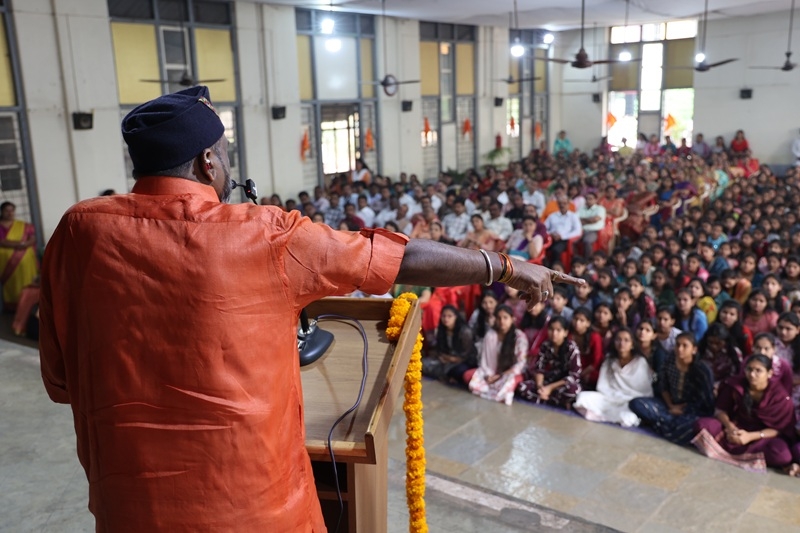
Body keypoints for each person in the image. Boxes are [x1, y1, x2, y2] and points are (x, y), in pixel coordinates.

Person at [39, 86, 583, 532]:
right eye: (225, 155)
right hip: (255, 508)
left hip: (127, 510)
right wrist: (506, 266)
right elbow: (398, 257)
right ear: (208, 162)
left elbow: (61, 381)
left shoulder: (78, 231)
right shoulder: (265, 233)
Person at [693, 354, 799, 473]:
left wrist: (749, 437)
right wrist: (730, 427)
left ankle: (736, 453)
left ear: (769, 373)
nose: (752, 374)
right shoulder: (736, 384)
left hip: (761, 436)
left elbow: (778, 429)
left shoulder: (780, 397)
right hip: (736, 428)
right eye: (749, 369)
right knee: (702, 425)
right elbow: (720, 410)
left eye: (758, 371)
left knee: (782, 455)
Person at [629, 333, 715, 445]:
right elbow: (663, 386)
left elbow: (705, 402)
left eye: (685, 346)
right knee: (636, 403)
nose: (680, 349)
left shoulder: (703, 371)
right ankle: (668, 425)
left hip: (692, 411)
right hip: (668, 406)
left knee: (692, 426)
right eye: (677, 345)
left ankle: (661, 424)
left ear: (694, 350)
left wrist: (683, 410)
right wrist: (671, 406)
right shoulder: (669, 361)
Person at [574, 328, 654, 427]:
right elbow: (602, 386)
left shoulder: (640, 362)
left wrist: (623, 397)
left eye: (626, 340)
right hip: (608, 398)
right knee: (582, 398)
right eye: (618, 339)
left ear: (632, 344)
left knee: (628, 416)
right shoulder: (609, 360)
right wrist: (614, 396)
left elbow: (644, 391)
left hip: (628, 401)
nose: (622, 343)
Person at [467, 305, 529, 405]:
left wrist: (500, 375)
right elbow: (485, 360)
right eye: (499, 318)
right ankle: (495, 391)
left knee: (510, 381)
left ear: (512, 319)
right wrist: (489, 375)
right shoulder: (491, 335)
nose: (502, 321)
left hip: (509, 373)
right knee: (468, 375)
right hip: (492, 372)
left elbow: (521, 363)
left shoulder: (519, 337)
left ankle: (495, 391)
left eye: (505, 318)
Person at [517, 316, 582, 408]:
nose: (554, 333)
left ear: (565, 333)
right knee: (522, 387)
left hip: (562, 384)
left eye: (558, 330)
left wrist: (550, 388)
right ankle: (550, 399)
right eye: (551, 329)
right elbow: (539, 369)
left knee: (573, 391)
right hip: (548, 380)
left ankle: (545, 398)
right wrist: (540, 387)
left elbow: (574, 376)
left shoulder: (572, 348)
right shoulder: (546, 345)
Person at [422, 305, 477, 384]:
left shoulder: (465, 332)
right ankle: (447, 376)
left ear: (456, 317)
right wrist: (443, 357)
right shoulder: (441, 330)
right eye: (444, 316)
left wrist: (454, 359)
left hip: (462, 361)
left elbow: (468, 354)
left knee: (460, 371)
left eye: (449, 316)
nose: (446, 319)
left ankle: (449, 376)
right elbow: (440, 349)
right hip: (446, 360)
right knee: (423, 364)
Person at [0, 201, 39, 310]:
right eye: (6, 210)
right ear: (2, 211)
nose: (10, 213)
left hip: (25, 262)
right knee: (12, 283)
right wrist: (20, 245)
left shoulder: (23, 225)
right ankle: (14, 306)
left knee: (27, 280)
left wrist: (25, 244)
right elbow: (2, 242)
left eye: (12, 210)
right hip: (6, 261)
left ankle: (30, 304)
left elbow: (32, 238)